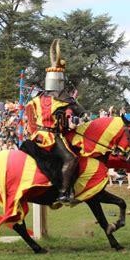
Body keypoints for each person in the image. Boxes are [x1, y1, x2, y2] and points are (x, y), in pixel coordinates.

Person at [24, 39, 85, 204]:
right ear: (61, 80)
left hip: (36, 137)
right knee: (71, 159)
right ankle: (63, 193)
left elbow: (29, 118)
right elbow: (82, 112)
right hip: (52, 137)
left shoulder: (36, 99)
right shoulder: (62, 99)